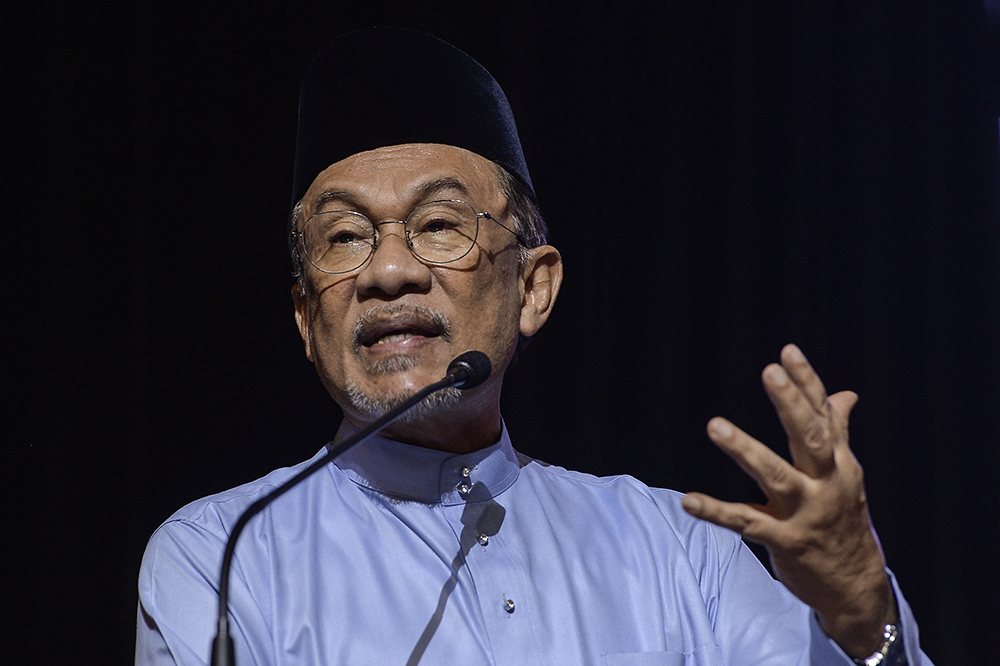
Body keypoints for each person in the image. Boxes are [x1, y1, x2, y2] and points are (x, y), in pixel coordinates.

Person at [136, 28, 933, 666]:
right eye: (345, 237)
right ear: (308, 319)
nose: (386, 271)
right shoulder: (224, 558)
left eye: (439, 225)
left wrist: (864, 614)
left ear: (534, 288)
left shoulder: (678, 551)